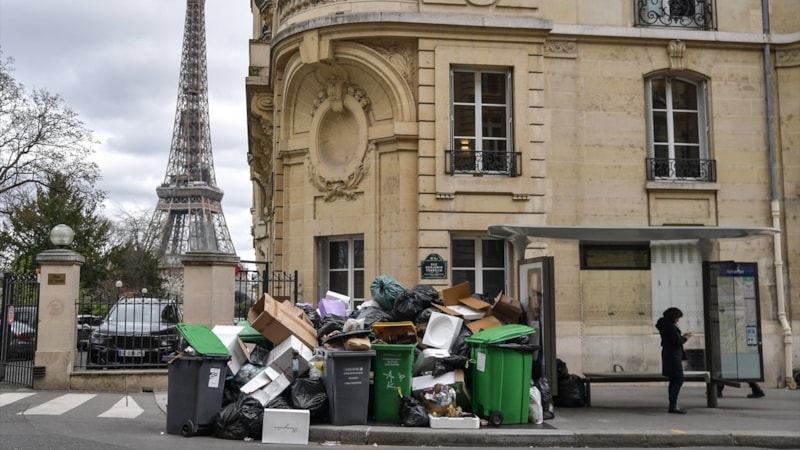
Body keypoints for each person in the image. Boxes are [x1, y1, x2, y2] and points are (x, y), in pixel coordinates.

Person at [655, 307, 693, 414]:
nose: (678, 320)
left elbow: (673, 339)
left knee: (674, 378)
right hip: (673, 355)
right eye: (677, 317)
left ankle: (673, 404)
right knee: (679, 378)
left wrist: (681, 337)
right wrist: (686, 337)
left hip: (669, 353)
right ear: (673, 316)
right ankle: (673, 405)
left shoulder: (665, 325)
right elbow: (676, 342)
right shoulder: (669, 326)